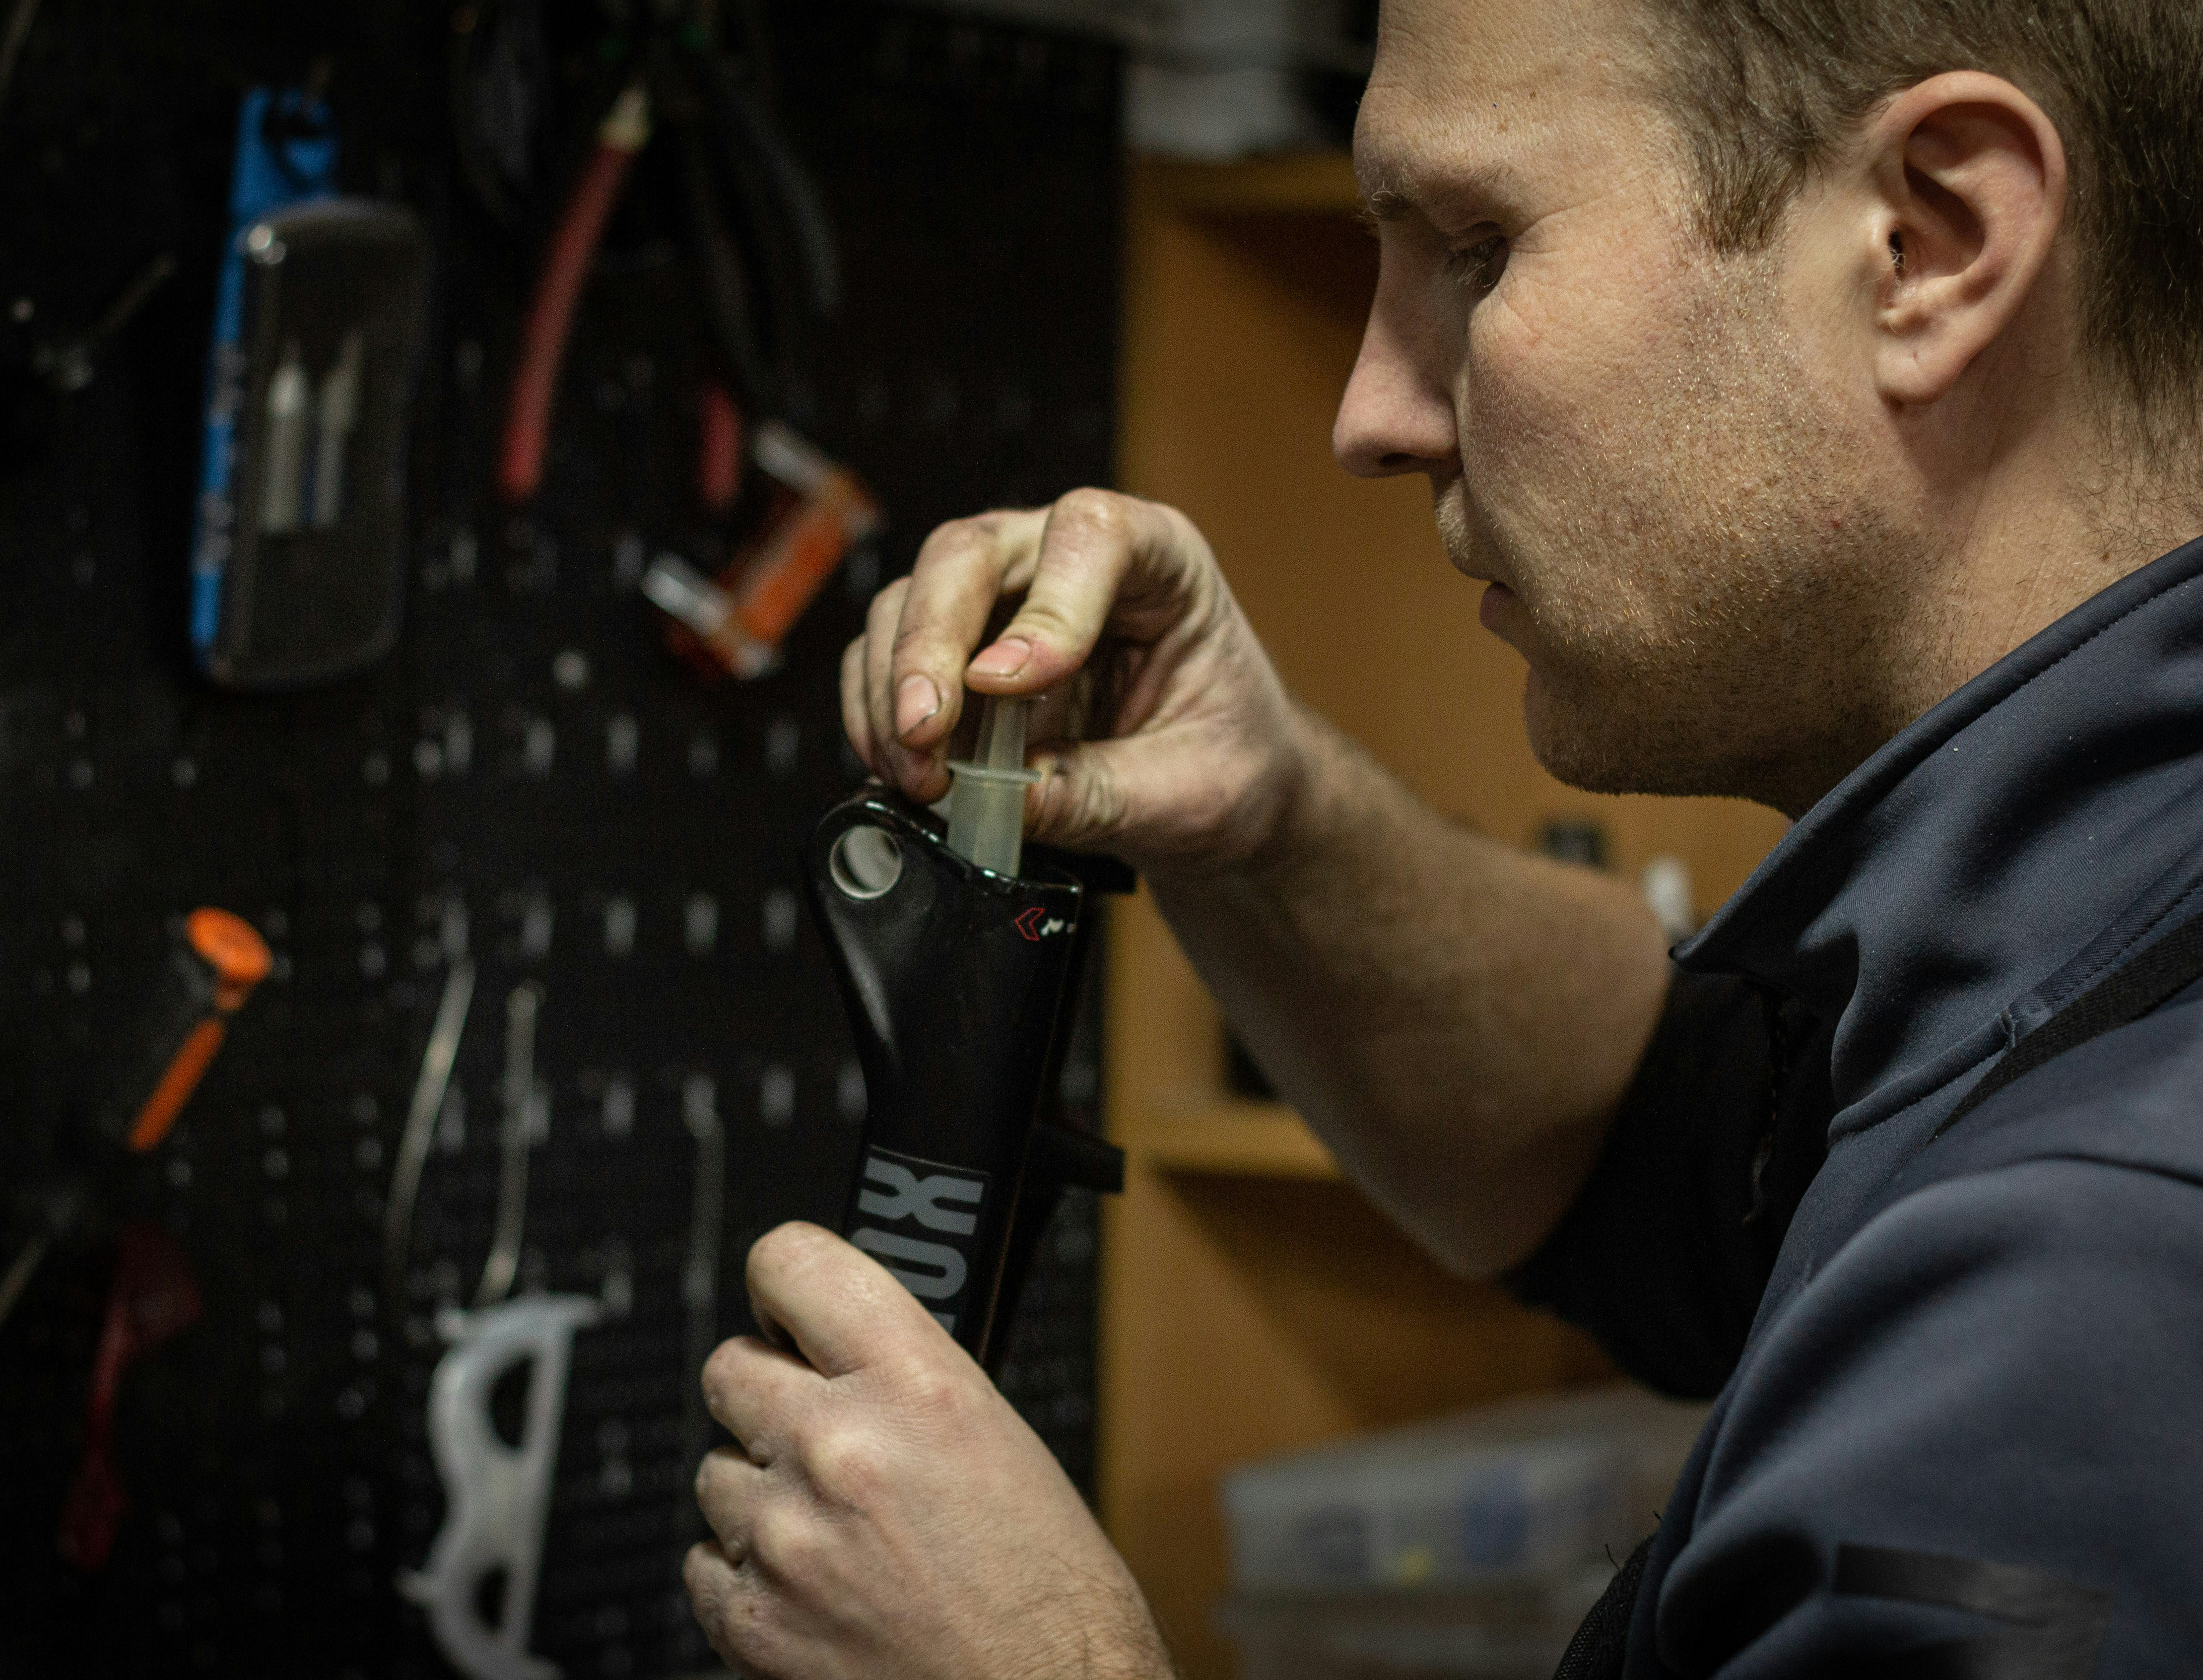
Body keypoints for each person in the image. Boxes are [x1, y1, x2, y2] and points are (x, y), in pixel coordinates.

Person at [684, 0, 2203, 1672]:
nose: (1371, 415)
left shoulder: (2094, 1289)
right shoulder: (2099, 917)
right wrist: (1265, 819)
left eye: (1474, 251)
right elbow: (1662, 1148)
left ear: (1930, 241)